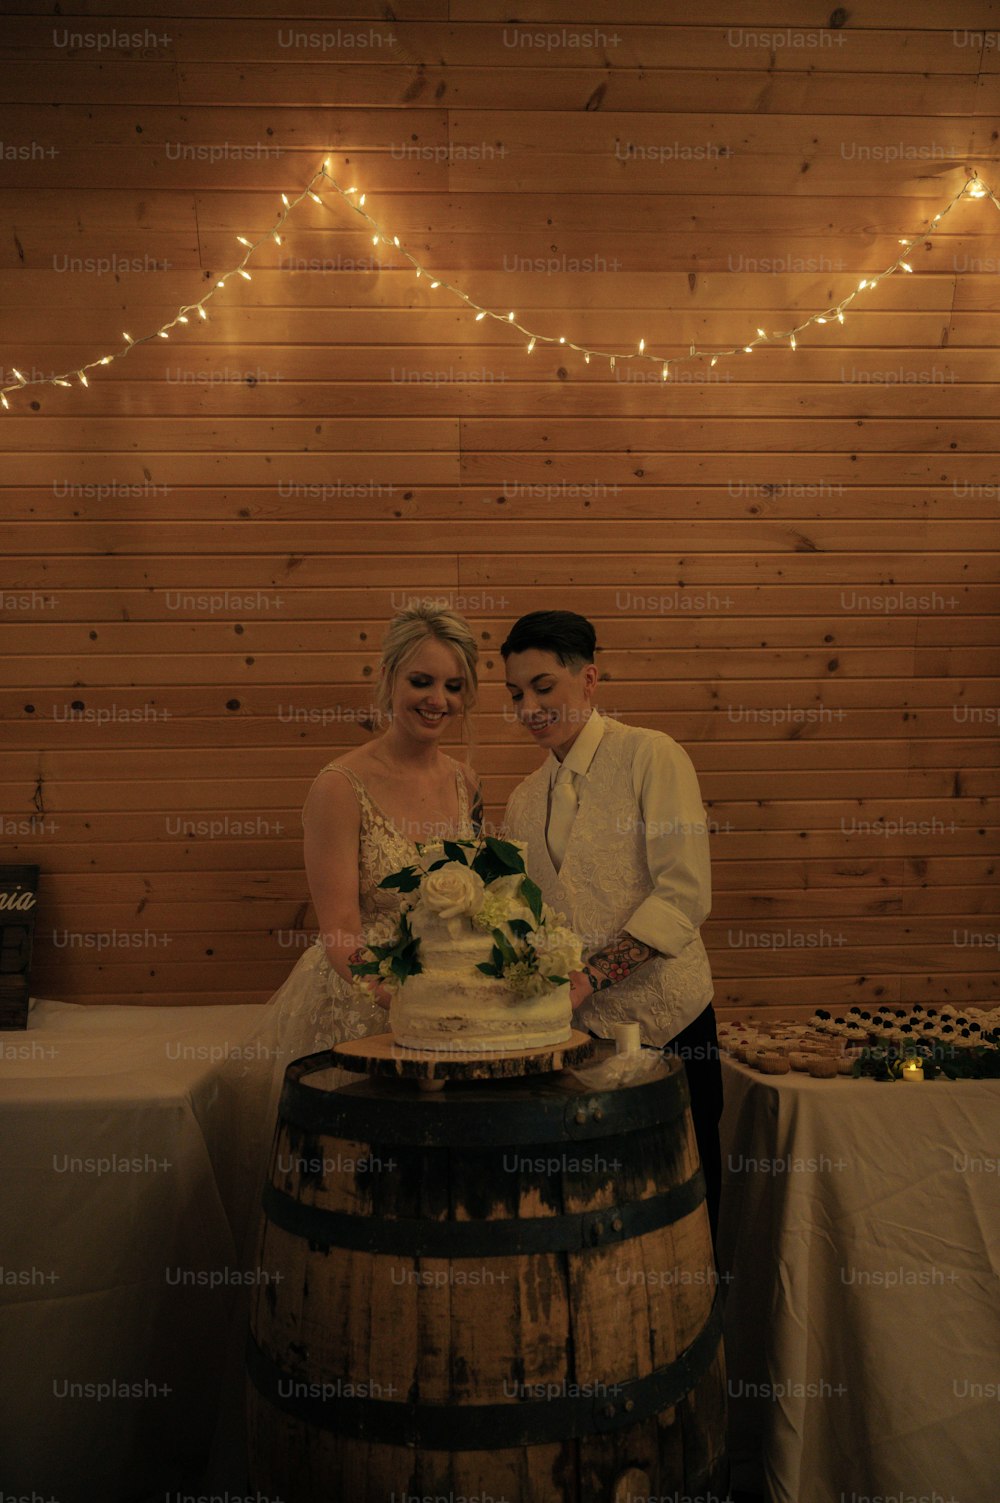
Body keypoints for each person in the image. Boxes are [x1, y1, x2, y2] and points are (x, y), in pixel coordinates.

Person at [203, 602, 482, 1488]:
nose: (436, 699)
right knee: (354, 1207)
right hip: (356, 1012)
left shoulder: (469, 780)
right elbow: (340, 932)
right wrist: (402, 1014)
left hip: (450, 1013)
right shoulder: (338, 785)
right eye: (421, 680)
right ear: (388, 680)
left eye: (453, 685)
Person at [501, 610, 723, 1243]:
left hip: (672, 1027)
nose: (530, 708)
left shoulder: (652, 755)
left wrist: (591, 976)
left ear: (589, 679)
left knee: (685, 1208)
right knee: (599, 1214)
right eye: (517, 695)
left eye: (544, 687)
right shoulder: (522, 799)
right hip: (576, 1043)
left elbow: (683, 894)